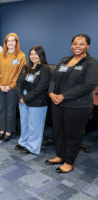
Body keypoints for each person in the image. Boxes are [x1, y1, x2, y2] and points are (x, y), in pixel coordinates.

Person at [46, 34, 98, 173]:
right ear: (71, 45)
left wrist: (63, 96)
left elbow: (88, 85)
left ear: (88, 46)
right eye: (75, 43)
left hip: (77, 106)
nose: (78, 46)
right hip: (57, 104)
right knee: (58, 131)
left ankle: (69, 162)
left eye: (82, 44)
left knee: (72, 134)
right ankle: (60, 155)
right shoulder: (64, 60)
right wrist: (51, 93)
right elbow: (54, 79)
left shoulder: (92, 63)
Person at [16, 46, 51, 154]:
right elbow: (18, 82)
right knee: (24, 122)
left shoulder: (45, 69)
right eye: (31, 54)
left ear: (41, 55)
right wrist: (21, 96)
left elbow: (41, 87)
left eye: (36, 54)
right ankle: (23, 142)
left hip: (37, 100)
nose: (33, 56)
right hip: (23, 98)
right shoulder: (26, 67)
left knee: (34, 125)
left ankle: (33, 147)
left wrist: (25, 98)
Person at [0, 32, 26, 142]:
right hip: (0, 87)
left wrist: (10, 86)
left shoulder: (21, 56)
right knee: (1, 109)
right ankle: (1, 130)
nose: (11, 43)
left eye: (13, 40)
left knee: (10, 110)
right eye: (9, 41)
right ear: (6, 43)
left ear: (16, 42)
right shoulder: (1, 55)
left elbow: (20, 74)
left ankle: (8, 131)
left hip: (12, 88)